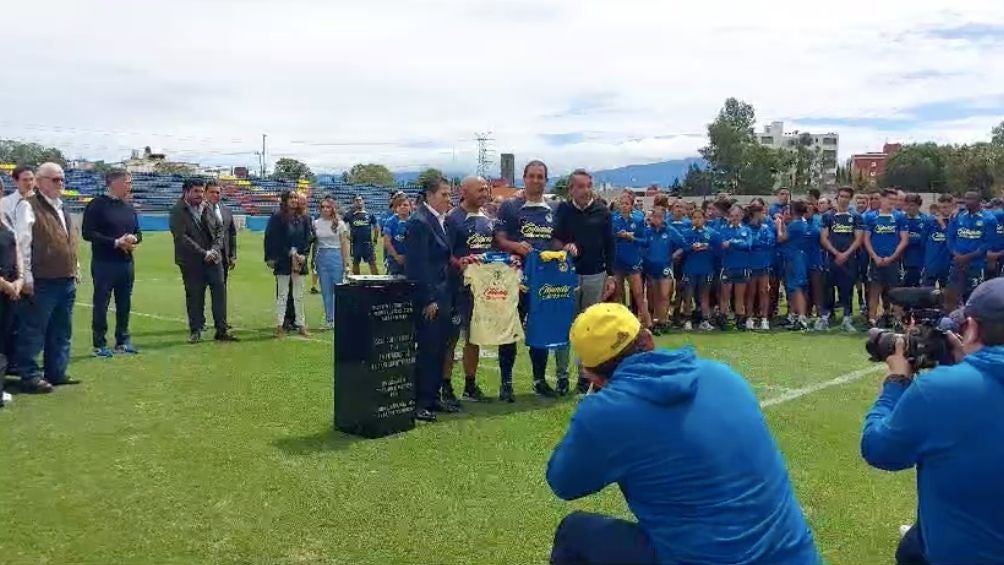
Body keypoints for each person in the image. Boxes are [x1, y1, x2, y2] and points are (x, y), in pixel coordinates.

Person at [547, 302, 821, 565]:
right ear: (648, 339)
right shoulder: (721, 374)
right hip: (796, 557)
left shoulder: (604, 413)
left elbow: (563, 482)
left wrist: (591, 406)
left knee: (574, 532)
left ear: (592, 375)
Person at [861, 277, 1004, 565]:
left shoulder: (943, 389)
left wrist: (896, 381)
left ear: (972, 327)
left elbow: (878, 449)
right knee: (912, 547)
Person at [496, 160, 570, 397]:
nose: (536, 180)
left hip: (544, 279)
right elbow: (499, 239)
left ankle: (539, 380)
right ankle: (506, 382)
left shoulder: (556, 209)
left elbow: (557, 240)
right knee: (509, 328)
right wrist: (516, 246)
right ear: (524, 178)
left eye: (540, 176)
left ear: (545, 180)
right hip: (515, 276)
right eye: (532, 176)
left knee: (540, 328)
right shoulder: (509, 206)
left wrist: (567, 247)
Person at [14, 162, 80, 392]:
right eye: (55, 179)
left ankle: (56, 371)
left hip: (66, 278)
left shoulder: (63, 207)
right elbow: (23, 244)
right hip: (42, 280)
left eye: (62, 179)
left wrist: (76, 267)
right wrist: (27, 277)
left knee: (61, 329)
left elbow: (68, 241)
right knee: (33, 330)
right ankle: (29, 375)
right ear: (40, 181)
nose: (60, 183)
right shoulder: (28, 206)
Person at [444, 176, 508, 403]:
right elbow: (445, 253)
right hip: (456, 288)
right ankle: (446, 386)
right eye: (479, 189)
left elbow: (490, 253)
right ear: (464, 191)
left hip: (480, 291)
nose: (484, 193)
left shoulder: (487, 219)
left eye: (486, 189)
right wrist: (459, 263)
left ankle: (470, 385)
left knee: (474, 337)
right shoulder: (453, 219)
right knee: (450, 339)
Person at [552, 169, 617, 393]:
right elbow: (555, 239)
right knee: (564, 325)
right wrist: (564, 246)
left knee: (589, 328)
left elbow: (610, 244)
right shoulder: (563, 209)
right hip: (567, 275)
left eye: (588, 185)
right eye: (580, 186)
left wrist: (611, 275)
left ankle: (585, 376)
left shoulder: (602, 210)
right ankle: (561, 376)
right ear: (571, 189)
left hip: (595, 275)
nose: (586, 190)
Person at [405, 176, 454, 422]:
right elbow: (417, 265)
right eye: (444, 194)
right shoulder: (419, 222)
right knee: (427, 350)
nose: (449, 199)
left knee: (438, 350)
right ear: (430, 195)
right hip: (430, 298)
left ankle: (433, 397)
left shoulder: (436, 220)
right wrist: (428, 299)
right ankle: (420, 402)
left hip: (442, 295)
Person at [81, 169, 141, 357]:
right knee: (102, 304)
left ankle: (122, 340)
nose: (130, 186)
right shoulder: (97, 205)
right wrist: (115, 242)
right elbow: (88, 233)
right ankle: (99, 344)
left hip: (126, 263)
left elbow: (138, 232)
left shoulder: (128, 207)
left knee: (124, 303)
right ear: (114, 183)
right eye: (127, 182)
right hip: (104, 263)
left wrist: (133, 239)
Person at [169, 178, 236, 344]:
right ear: (186, 192)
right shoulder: (177, 210)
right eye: (196, 192)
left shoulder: (207, 207)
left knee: (220, 294)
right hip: (191, 261)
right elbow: (181, 237)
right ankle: (196, 330)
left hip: (214, 259)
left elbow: (220, 229)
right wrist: (203, 253)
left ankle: (221, 330)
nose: (200, 195)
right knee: (195, 296)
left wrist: (214, 249)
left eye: (201, 191)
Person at [264, 190, 313, 337]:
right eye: (291, 198)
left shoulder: (303, 218)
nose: (294, 200)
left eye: (295, 198)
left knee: (299, 295)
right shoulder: (277, 217)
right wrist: (274, 256)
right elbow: (272, 238)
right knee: (283, 294)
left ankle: (301, 325)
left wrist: (302, 255)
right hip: (282, 260)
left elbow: (307, 239)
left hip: (299, 260)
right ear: (284, 200)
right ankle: (279, 325)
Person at [2, 165, 34, 376]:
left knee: (9, 329)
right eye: (25, 179)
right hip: (6, 283)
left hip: (14, 280)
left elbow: (17, 246)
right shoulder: (9, 206)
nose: (30, 183)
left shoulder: (3, 219)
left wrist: (20, 277)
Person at [821, 186, 864, 332]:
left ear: (850, 199)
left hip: (850, 259)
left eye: (847, 196)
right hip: (831, 258)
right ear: (837, 197)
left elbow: (858, 239)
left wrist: (845, 254)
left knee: (847, 289)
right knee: (827, 287)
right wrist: (836, 253)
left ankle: (847, 318)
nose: (844, 199)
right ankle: (825, 317)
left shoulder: (856, 216)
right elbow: (824, 238)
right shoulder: (828, 216)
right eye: (842, 196)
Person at [864, 188, 909, 328]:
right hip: (876, 260)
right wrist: (875, 256)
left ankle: (898, 320)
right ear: (882, 199)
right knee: (874, 290)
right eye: (890, 200)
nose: (892, 203)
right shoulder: (871, 217)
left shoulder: (900, 217)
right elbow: (866, 239)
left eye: (895, 200)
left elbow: (904, 239)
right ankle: (872, 319)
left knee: (895, 290)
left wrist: (893, 257)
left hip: (894, 261)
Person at [946, 191, 995, 307]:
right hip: (957, 263)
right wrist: (956, 254)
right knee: (952, 296)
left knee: (973, 297)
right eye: (966, 199)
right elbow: (950, 237)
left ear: (979, 201)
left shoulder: (989, 219)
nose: (967, 202)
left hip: (976, 265)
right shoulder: (957, 216)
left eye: (971, 199)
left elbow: (987, 244)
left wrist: (968, 257)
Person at [611, 190, 652, 327]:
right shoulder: (612, 219)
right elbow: (607, 238)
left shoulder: (638, 220)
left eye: (626, 203)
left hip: (633, 261)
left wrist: (632, 238)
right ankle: (620, 323)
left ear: (631, 205)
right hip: (617, 261)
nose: (623, 206)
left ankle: (648, 323)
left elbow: (645, 241)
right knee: (617, 293)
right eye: (621, 203)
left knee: (639, 294)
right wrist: (618, 235)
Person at [640, 196, 679, 335]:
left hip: (665, 267)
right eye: (653, 216)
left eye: (659, 216)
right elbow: (642, 245)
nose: (656, 219)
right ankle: (656, 319)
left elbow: (684, 244)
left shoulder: (670, 231)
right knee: (654, 295)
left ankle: (664, 320)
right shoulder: (648, 231)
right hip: (651, 267)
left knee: (664, 294)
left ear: (664, 217)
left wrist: (674, 255)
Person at [312, 196, 350, 330]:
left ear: (332, 208)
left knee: (338, 290)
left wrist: (346, 263)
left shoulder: (340, 224)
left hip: (336, 256)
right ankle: (329, 319)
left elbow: (344, 243)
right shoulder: (315, 223)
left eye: (328, 207)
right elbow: (315, 244)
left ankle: (341, 317)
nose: (325, 209)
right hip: (321, 256)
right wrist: (313, 262)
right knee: (326, 290)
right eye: (322, 207)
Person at [679, 208, 718, 331]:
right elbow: (683, 248)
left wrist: (708, 246)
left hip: (706, 269)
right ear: (691, 219)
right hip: (690, 268)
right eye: (694, 217)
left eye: (699, 217)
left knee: (704, 295)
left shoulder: (711, 232)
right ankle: (687, 319)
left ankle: (704, 320)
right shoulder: (686, 232)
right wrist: (691, 247)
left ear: (704, 219)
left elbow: (718, 250)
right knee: (688, 295)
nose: (697, 220)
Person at [0, 215, 24, 405]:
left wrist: (19, 279)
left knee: (3, 340)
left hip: (8, 292)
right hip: (4, 287)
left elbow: (17, 253)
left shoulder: (6, 225)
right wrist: (6, 285)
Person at [718, 204, 752, 330]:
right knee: (725, 295)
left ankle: (740, 320)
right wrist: (737, 243)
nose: (734, 218)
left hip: (742, 266)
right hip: (728, 266)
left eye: (737, 215)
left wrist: (732, 242)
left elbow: (748, 245)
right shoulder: (724, 229)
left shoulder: (746, 230)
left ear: (742, 216)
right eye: (732, 216)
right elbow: (722, 244)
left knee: (740, 295)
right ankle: (723, 318)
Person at [746, 203, 775, 330]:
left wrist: (758, 243)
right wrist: (759, 243)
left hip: (764, 264)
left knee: (764, 291)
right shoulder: (746, 228)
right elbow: (749, 244)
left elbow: (770, 242)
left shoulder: (766, 228)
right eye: (761, 213)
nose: (764, 215)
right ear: (755, 213)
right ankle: (749, 318)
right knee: (751, 292)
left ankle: (764, 319)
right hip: (751, 264)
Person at [205, 179, 237, 284]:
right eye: (212, 192)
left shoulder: (227, 211)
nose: (215, 195)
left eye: (217, 192)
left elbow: (232, 234)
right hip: (206, 255)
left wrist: (232, 256)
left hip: (223, 255)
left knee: (222, 287)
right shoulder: (199, 211)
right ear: (205, 193)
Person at [921, 194, 953, 290]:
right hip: (931, 264)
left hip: (948, 265)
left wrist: (943, 226)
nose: (943, 210)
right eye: (941, 207)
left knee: (947, 294)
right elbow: (923, 242)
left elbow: (952, 241)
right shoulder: (930, 222)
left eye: (946, 207)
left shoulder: (955, 222)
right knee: (926, 293)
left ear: (952, 207)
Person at [344, 195, 379, 275]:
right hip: (355, 244)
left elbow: (376, 227)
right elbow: (341, 225)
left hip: (367, 243)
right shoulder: (349, 214)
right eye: (356, 200)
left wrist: (375, 239)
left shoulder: (369, 214)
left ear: (363, 202)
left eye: (360, 200)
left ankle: (377, 281)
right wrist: (347, 235)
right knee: (355, 263)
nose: (359, 202)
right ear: (353, 203)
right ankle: (357, 283)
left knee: (372, 263)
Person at [901, 194, 929, 288]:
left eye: (912, 205)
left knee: (919, 289)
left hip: (920, 260)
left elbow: (925, 241)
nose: (909, 208)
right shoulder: (900, 219)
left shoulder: (926, 220)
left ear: (918, 205)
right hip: (903, 260)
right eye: (907, 205)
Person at [382, 194, 410, 276]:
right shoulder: (390, 221)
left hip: (410, 260)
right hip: (394, 260)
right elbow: (387, 242)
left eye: (405, 205)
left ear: (410, 207)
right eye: (399, 205)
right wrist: (397, 257)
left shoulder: (414, 221)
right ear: (396, 208)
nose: (402, 207)